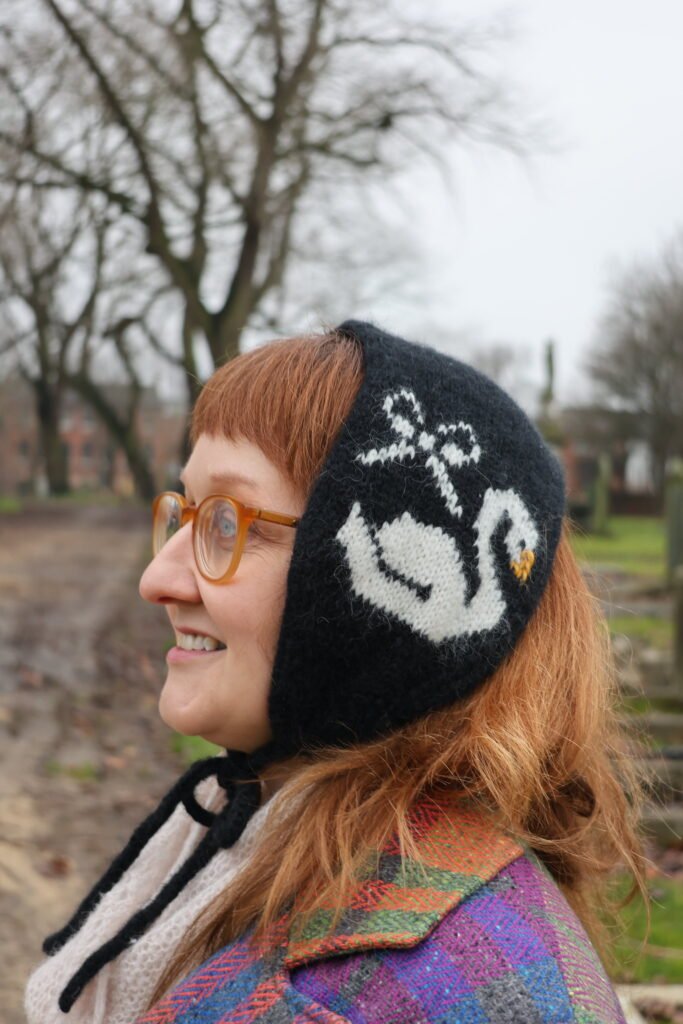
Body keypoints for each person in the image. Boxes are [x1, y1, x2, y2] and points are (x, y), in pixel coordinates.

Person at [26, 320, 646, 1024]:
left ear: (378, 610)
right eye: (186, 513)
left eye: (227, 524)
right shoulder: (260, 843)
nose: (157, 579)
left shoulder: (351, 997)